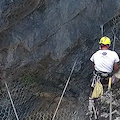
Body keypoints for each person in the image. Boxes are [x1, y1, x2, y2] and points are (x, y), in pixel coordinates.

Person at [87, 36, 120, 116]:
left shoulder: (95, 54)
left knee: (92, 92)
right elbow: (116, 68)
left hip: (98, 78)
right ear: (108, 45)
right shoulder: (114, 54)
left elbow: (92, 66)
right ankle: (116, 92)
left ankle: (91, 108)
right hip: (109, 78)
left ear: (100, 45)